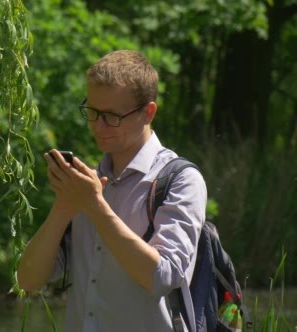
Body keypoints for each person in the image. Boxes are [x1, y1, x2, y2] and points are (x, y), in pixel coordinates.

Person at [17, 50, 207, 332]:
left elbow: (163, 278)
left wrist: (94, 205)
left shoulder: (181, 180)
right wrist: (64, 207)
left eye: (112, 116)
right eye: (92, 112)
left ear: (148, 112)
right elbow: (28, 281)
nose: (98, 125)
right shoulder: (87, 184)